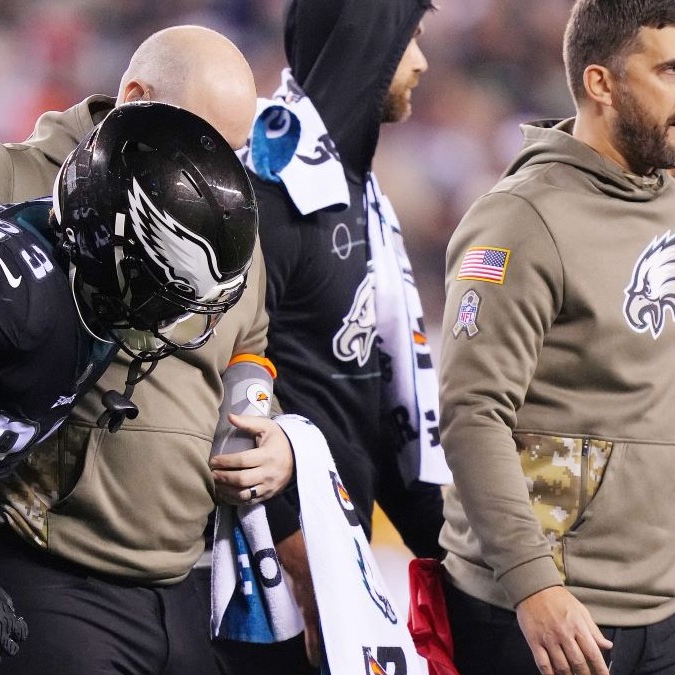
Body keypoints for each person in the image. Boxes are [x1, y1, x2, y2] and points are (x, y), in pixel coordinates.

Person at [0, 26, 293, 675]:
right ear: (135, 97)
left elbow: (248, 340)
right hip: (40, 569)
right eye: (206, 142)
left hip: (178, 575)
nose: (221, 171)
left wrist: (258, 419)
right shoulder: (13, 184)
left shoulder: (210, 224)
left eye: (235, 150)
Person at [438, 2, 675, 674]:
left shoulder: (669, 199)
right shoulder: (521, 220)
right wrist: (532, 581)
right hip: (552, 613)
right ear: (601, 83)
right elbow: (471, 412)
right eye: (671, 71)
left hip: (663, 606)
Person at [217, 0, 448, 671]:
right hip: (266, 577)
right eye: (411, 41)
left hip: (336, 552)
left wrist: (455, 558)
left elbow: (378, 401)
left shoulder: (356, 192)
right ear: (369, 45)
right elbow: (223, 377)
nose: (423, 62)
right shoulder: (265, 187)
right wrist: (295, 548)